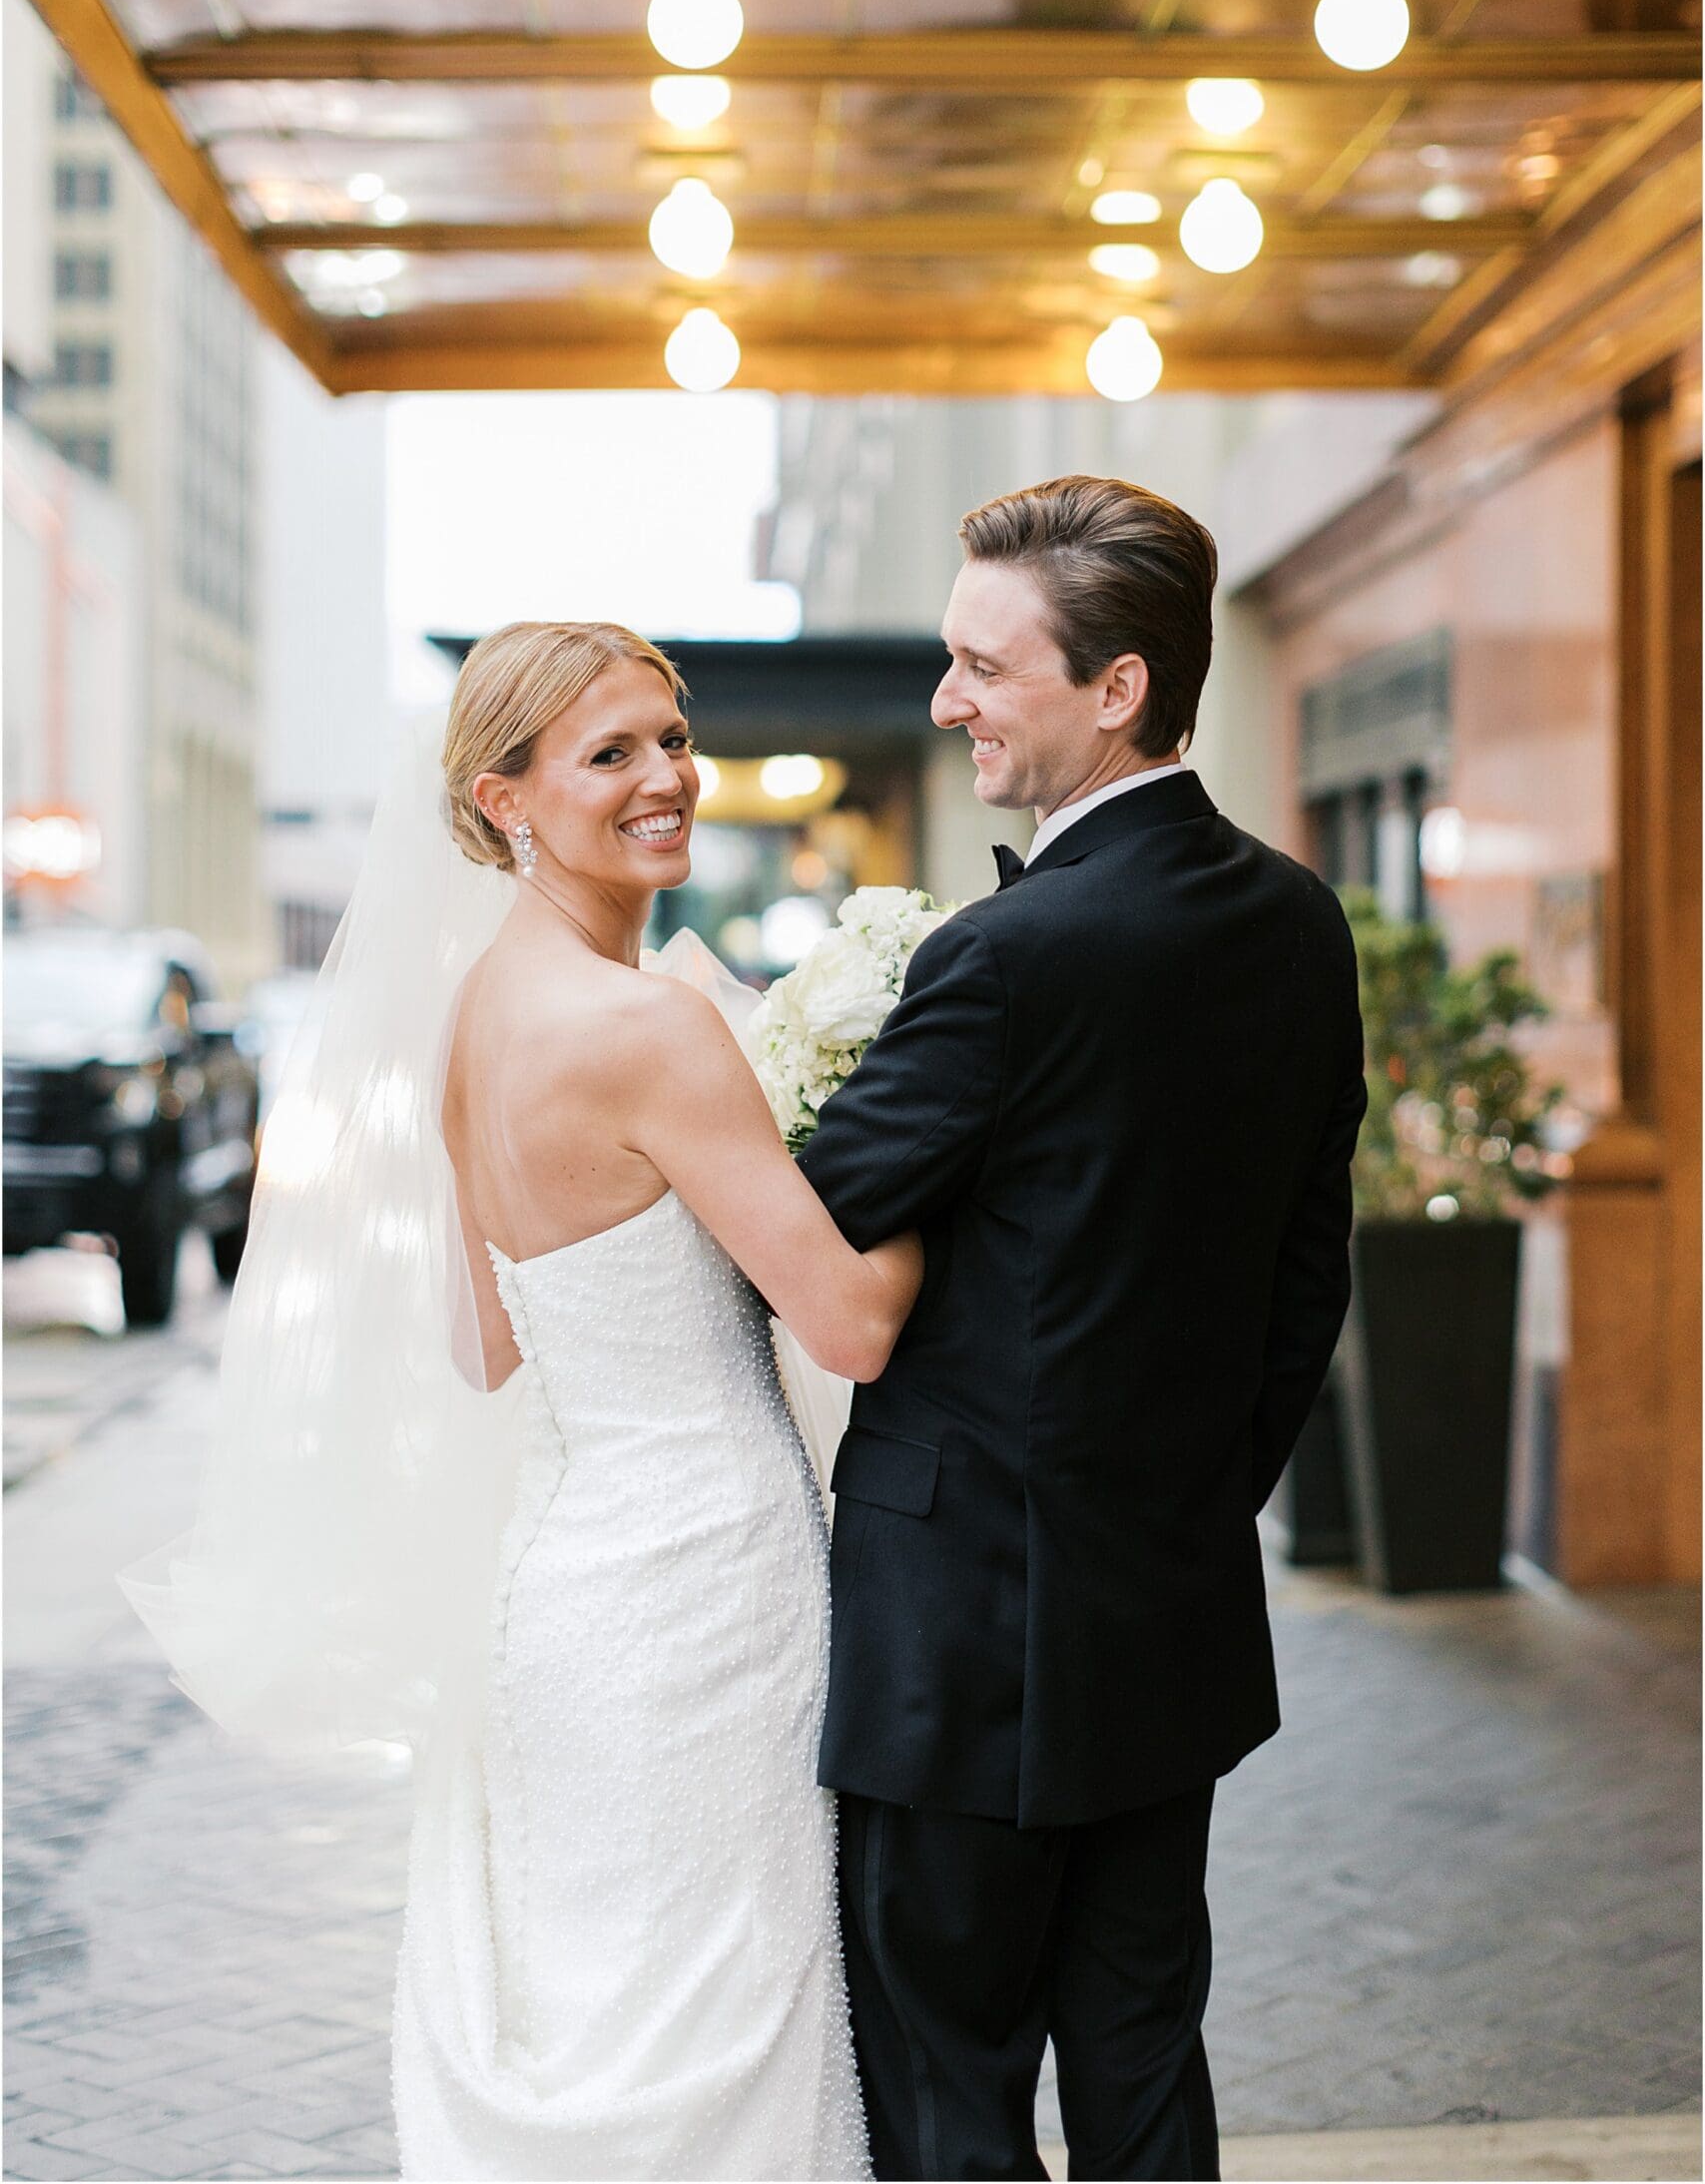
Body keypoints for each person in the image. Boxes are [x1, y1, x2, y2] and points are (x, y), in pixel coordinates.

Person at [126, 620, 912, 2183]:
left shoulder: (476, 1020)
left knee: (596, 2012)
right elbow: (855, 1322)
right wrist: (934, 1140)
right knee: (715, 2019)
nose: (667, 778)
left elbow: (490, 1347)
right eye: (608, 754)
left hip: (554, 1601)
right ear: (505, 801)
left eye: (671, 738)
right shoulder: (654, 1029)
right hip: (705, 1593)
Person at [798, 475, 1368, 2183]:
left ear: (1118, 687)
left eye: (984, 664)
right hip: (1166, 1621)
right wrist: (1180, 1504)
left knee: (947, 2089)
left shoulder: (1003, 957)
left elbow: (805, 1239)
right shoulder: (1296, 922)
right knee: (1140, 2068)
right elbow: (1303, 1283)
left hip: (957, 1641)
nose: (944, 698)